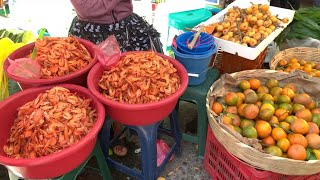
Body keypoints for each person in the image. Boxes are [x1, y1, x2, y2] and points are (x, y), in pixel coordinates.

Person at [68, 0, 164, 156]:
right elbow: (86, 8)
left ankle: (143, 125)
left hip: (127, 26)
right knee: (107, 86)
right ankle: (117, 131)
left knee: (146, 77)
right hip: (92, 31)